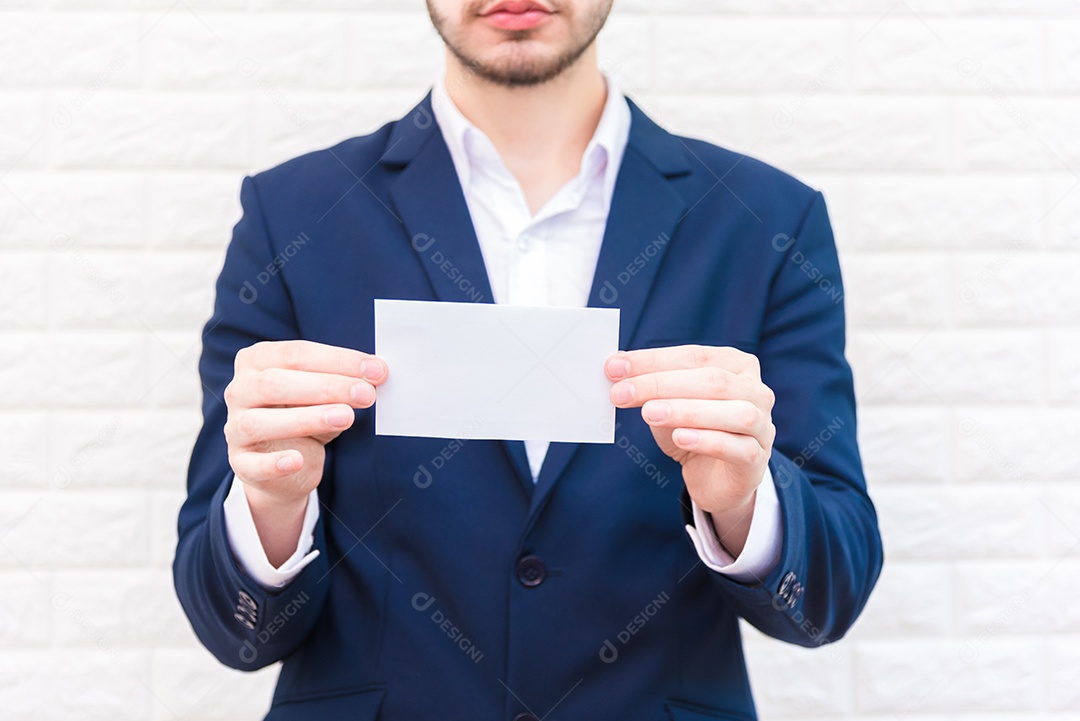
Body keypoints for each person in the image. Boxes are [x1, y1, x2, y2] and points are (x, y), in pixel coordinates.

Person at [174, 1, 883, 719]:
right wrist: (271, 504)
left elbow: (829, 600)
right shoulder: (293, 216)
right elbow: (232, 632)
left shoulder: (766, 222)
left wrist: (744, 503)